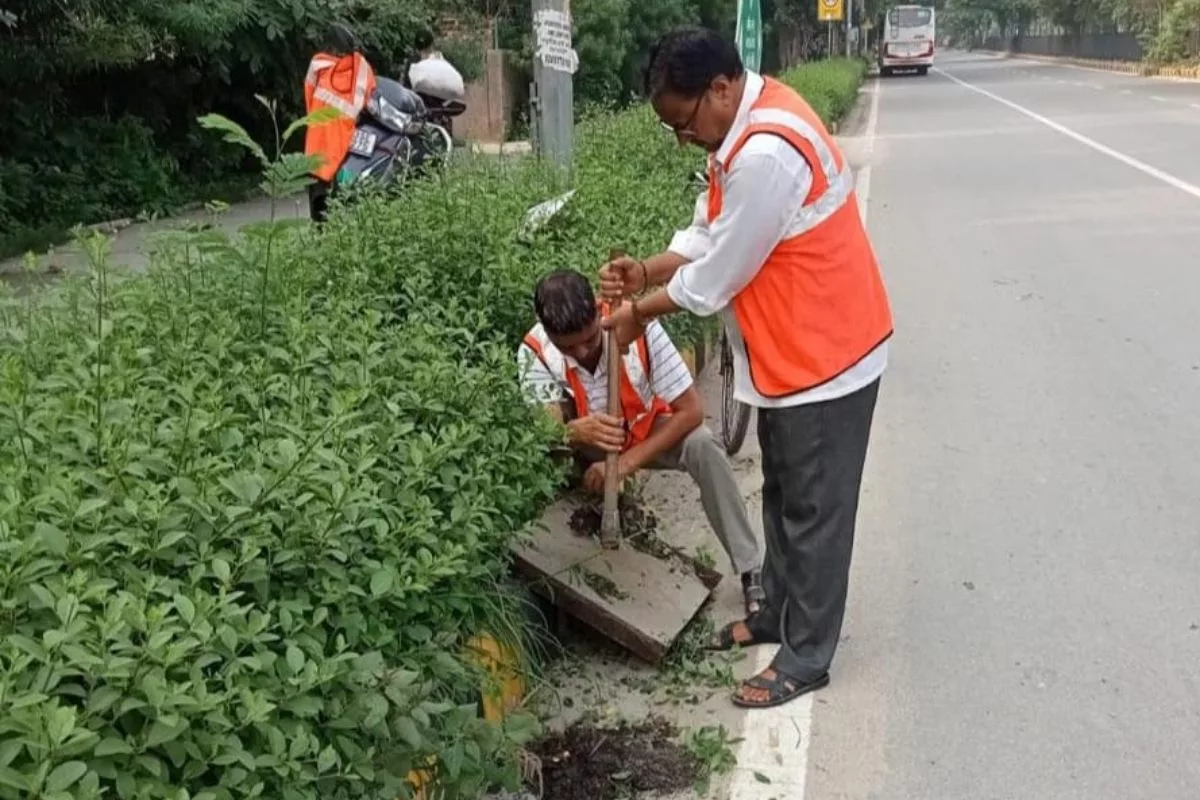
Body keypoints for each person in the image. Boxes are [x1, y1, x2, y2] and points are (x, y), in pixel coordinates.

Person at [597, 27, 893, 709]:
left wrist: (640, 309)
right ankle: (775, 613)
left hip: (830, 355)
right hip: (789, 356)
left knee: (816, 511)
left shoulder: (765, 152)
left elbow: (714, 278)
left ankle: (806, 656)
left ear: (721, 90)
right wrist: (648, 268)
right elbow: (706, 237)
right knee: (784, 492)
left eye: (683, 121)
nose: (682, 137)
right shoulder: (739, 135)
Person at [517, 270, 765, 615]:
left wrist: (624, 464)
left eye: (589, 339)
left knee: (703, 446)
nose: (583, 351)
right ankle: (585, 530)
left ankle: (750, 566)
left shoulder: (634, 326)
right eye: (568, 346)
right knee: (547, 454)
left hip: (643, 433)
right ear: (548, 332)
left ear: (598, 312)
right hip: (586, 449)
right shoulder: (535, 352)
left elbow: (691, 411)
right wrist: (573, 431)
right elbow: (543, 430)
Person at [303, 22, 377, 223]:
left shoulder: (318, 65)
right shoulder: (363, 70)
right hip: (345, 144)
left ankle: (319, 232)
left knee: (317, 194)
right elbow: (371, 101)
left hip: (318, 140)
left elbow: (309, 97)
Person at [407, 29, 466, 136]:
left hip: (429, 111)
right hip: (430, 111)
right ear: (432, 45)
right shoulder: (439, 62)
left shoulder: (414, 64)